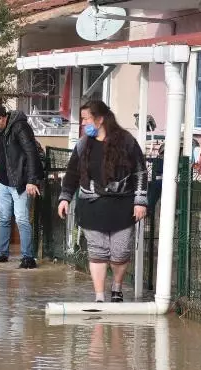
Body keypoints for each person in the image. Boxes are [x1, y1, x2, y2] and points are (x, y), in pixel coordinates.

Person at [57, 100, 147, 302]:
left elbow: (140, 172)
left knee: (120, 251)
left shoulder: (126, 141)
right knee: (97, 251)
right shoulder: (83, 144)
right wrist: (65, 198)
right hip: (91, 206)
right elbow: (71, 173)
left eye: (86, 119)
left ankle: (116, 286)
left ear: (100, 119)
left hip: (122, 205)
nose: (84, 123)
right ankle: (99, 296)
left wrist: (140, 201)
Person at [0, 104, 44, 269]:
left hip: (20, 183)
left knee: (22, 219)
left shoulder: (20, 127)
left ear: (1, 118)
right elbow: (1, 154)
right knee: (3, 218)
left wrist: (32, 180)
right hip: (3, 182)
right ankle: (2, 254)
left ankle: (28, 258)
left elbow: (32, 153)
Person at [0, 134, 46, 252]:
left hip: (16, 181)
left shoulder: (29, 140)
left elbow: (41, 158)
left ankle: (0, 248)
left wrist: (32, 177)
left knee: (7, 212)